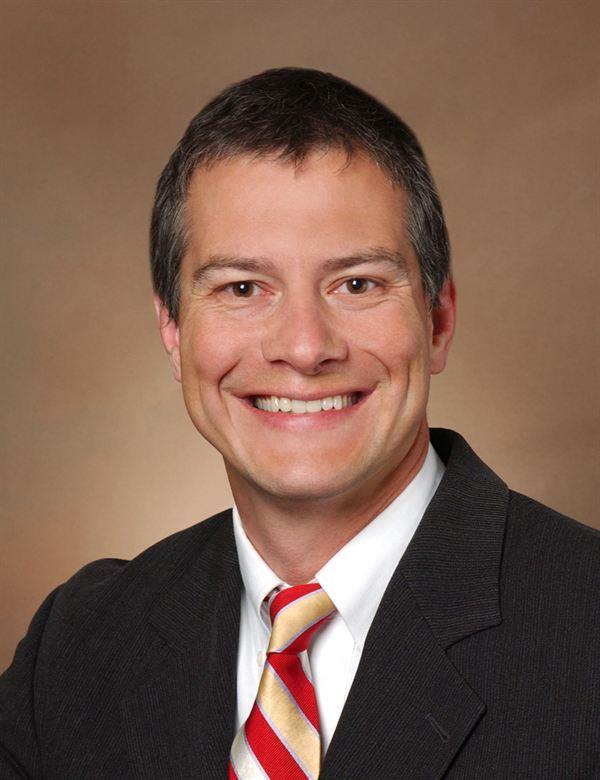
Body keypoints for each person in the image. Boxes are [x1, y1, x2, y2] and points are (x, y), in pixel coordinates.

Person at [1, 68, 598, 780]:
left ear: (437, 320)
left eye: (357, 284)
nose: (306, 347)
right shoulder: (78, 648)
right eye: (243, 288)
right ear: (173, 329)